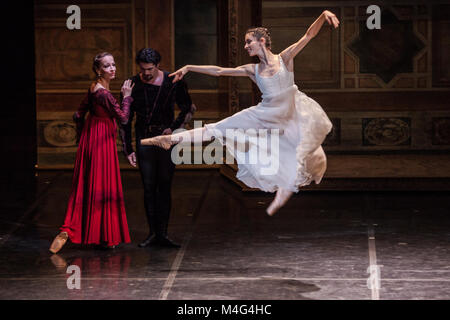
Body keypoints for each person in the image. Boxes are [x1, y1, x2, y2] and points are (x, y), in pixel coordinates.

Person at [141, 10, 340, 216]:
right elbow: (219, 71)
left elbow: (308, 35)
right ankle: (168, 139)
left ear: (261, 41)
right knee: (217, 129)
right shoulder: (252, 69)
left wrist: (323, 15)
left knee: (302, 161)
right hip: (265, 112)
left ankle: (282, 194)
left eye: (248, 42)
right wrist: (190, 67)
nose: (245, 46)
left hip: (288, 114)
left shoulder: (285, 58)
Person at [49, 52, 134, 254]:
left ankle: (90, 233)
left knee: (91, 184)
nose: (112, 68)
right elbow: (123, 118)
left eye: (113, 64)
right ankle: (100, 235)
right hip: (101, 141)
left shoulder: (94, 87)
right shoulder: (103, 93)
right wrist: (127, 98)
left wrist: (83, 136)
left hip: (92, 138)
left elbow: (78, 113)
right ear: (98, 69)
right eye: (107, 66)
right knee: (103, 185)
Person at [120, 48, 195, 248]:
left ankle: (163, 233)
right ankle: (153, 233)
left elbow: (187, 107)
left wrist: (175, 126)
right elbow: (125, 120)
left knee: (165, 185)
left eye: (150, 69)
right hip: (144, 139)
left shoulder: (173, 80)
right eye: (143, 69)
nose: (146, 73)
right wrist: (128, 149)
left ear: (158, 65)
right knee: (148, 187)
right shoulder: (132, 84)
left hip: (166, 139)